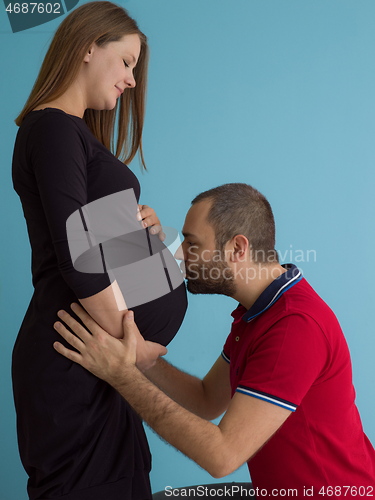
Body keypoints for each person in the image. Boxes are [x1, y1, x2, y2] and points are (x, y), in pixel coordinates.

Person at [53, 183, 375, 498]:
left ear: (238, 248)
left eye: (192, 244)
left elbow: (222, 456)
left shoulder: (295, 326)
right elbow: (207, 399)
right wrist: (141, 360)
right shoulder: (257, 313)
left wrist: (122, 376)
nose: (181, 253)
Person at [11, 2, 187, 499]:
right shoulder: (51, 128)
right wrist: (132, 354)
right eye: (128, 62)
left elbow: (90, 242)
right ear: (89, 45)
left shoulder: (71, 134)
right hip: (79, 358)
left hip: (96, 366)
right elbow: (76, 255)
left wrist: (142, 235)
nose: (132, 80)